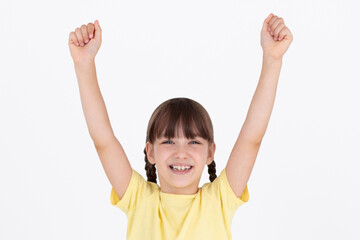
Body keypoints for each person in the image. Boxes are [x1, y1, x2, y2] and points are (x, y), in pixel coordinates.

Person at [68, 13, 293, 240]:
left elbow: (251, 138)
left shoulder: (219, 201)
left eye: (193, 141)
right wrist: (83, 64)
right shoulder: (139, 199)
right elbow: (103, 140)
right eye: (168, 141)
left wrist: (272, 59)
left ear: (210, 152)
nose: (181, 152)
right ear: (151, 151)